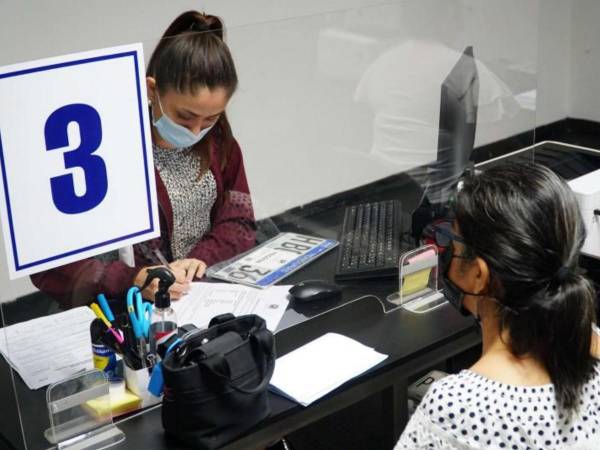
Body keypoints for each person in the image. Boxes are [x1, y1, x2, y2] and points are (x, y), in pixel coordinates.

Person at [31, 11, 256, 308]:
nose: (196, 131)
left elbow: (239, 221)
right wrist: (133, 278)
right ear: (152, 89)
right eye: (185, 116)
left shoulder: (219, 144)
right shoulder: (104, 150)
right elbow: (52, 264)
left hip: (196, 298)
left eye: (210, 119)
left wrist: (197, 261)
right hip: (118, 311)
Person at [395, 162, 600, 449]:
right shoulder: (592, 355)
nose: (447, 254)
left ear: (479, 275)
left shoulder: (454, 408)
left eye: (452, 244)